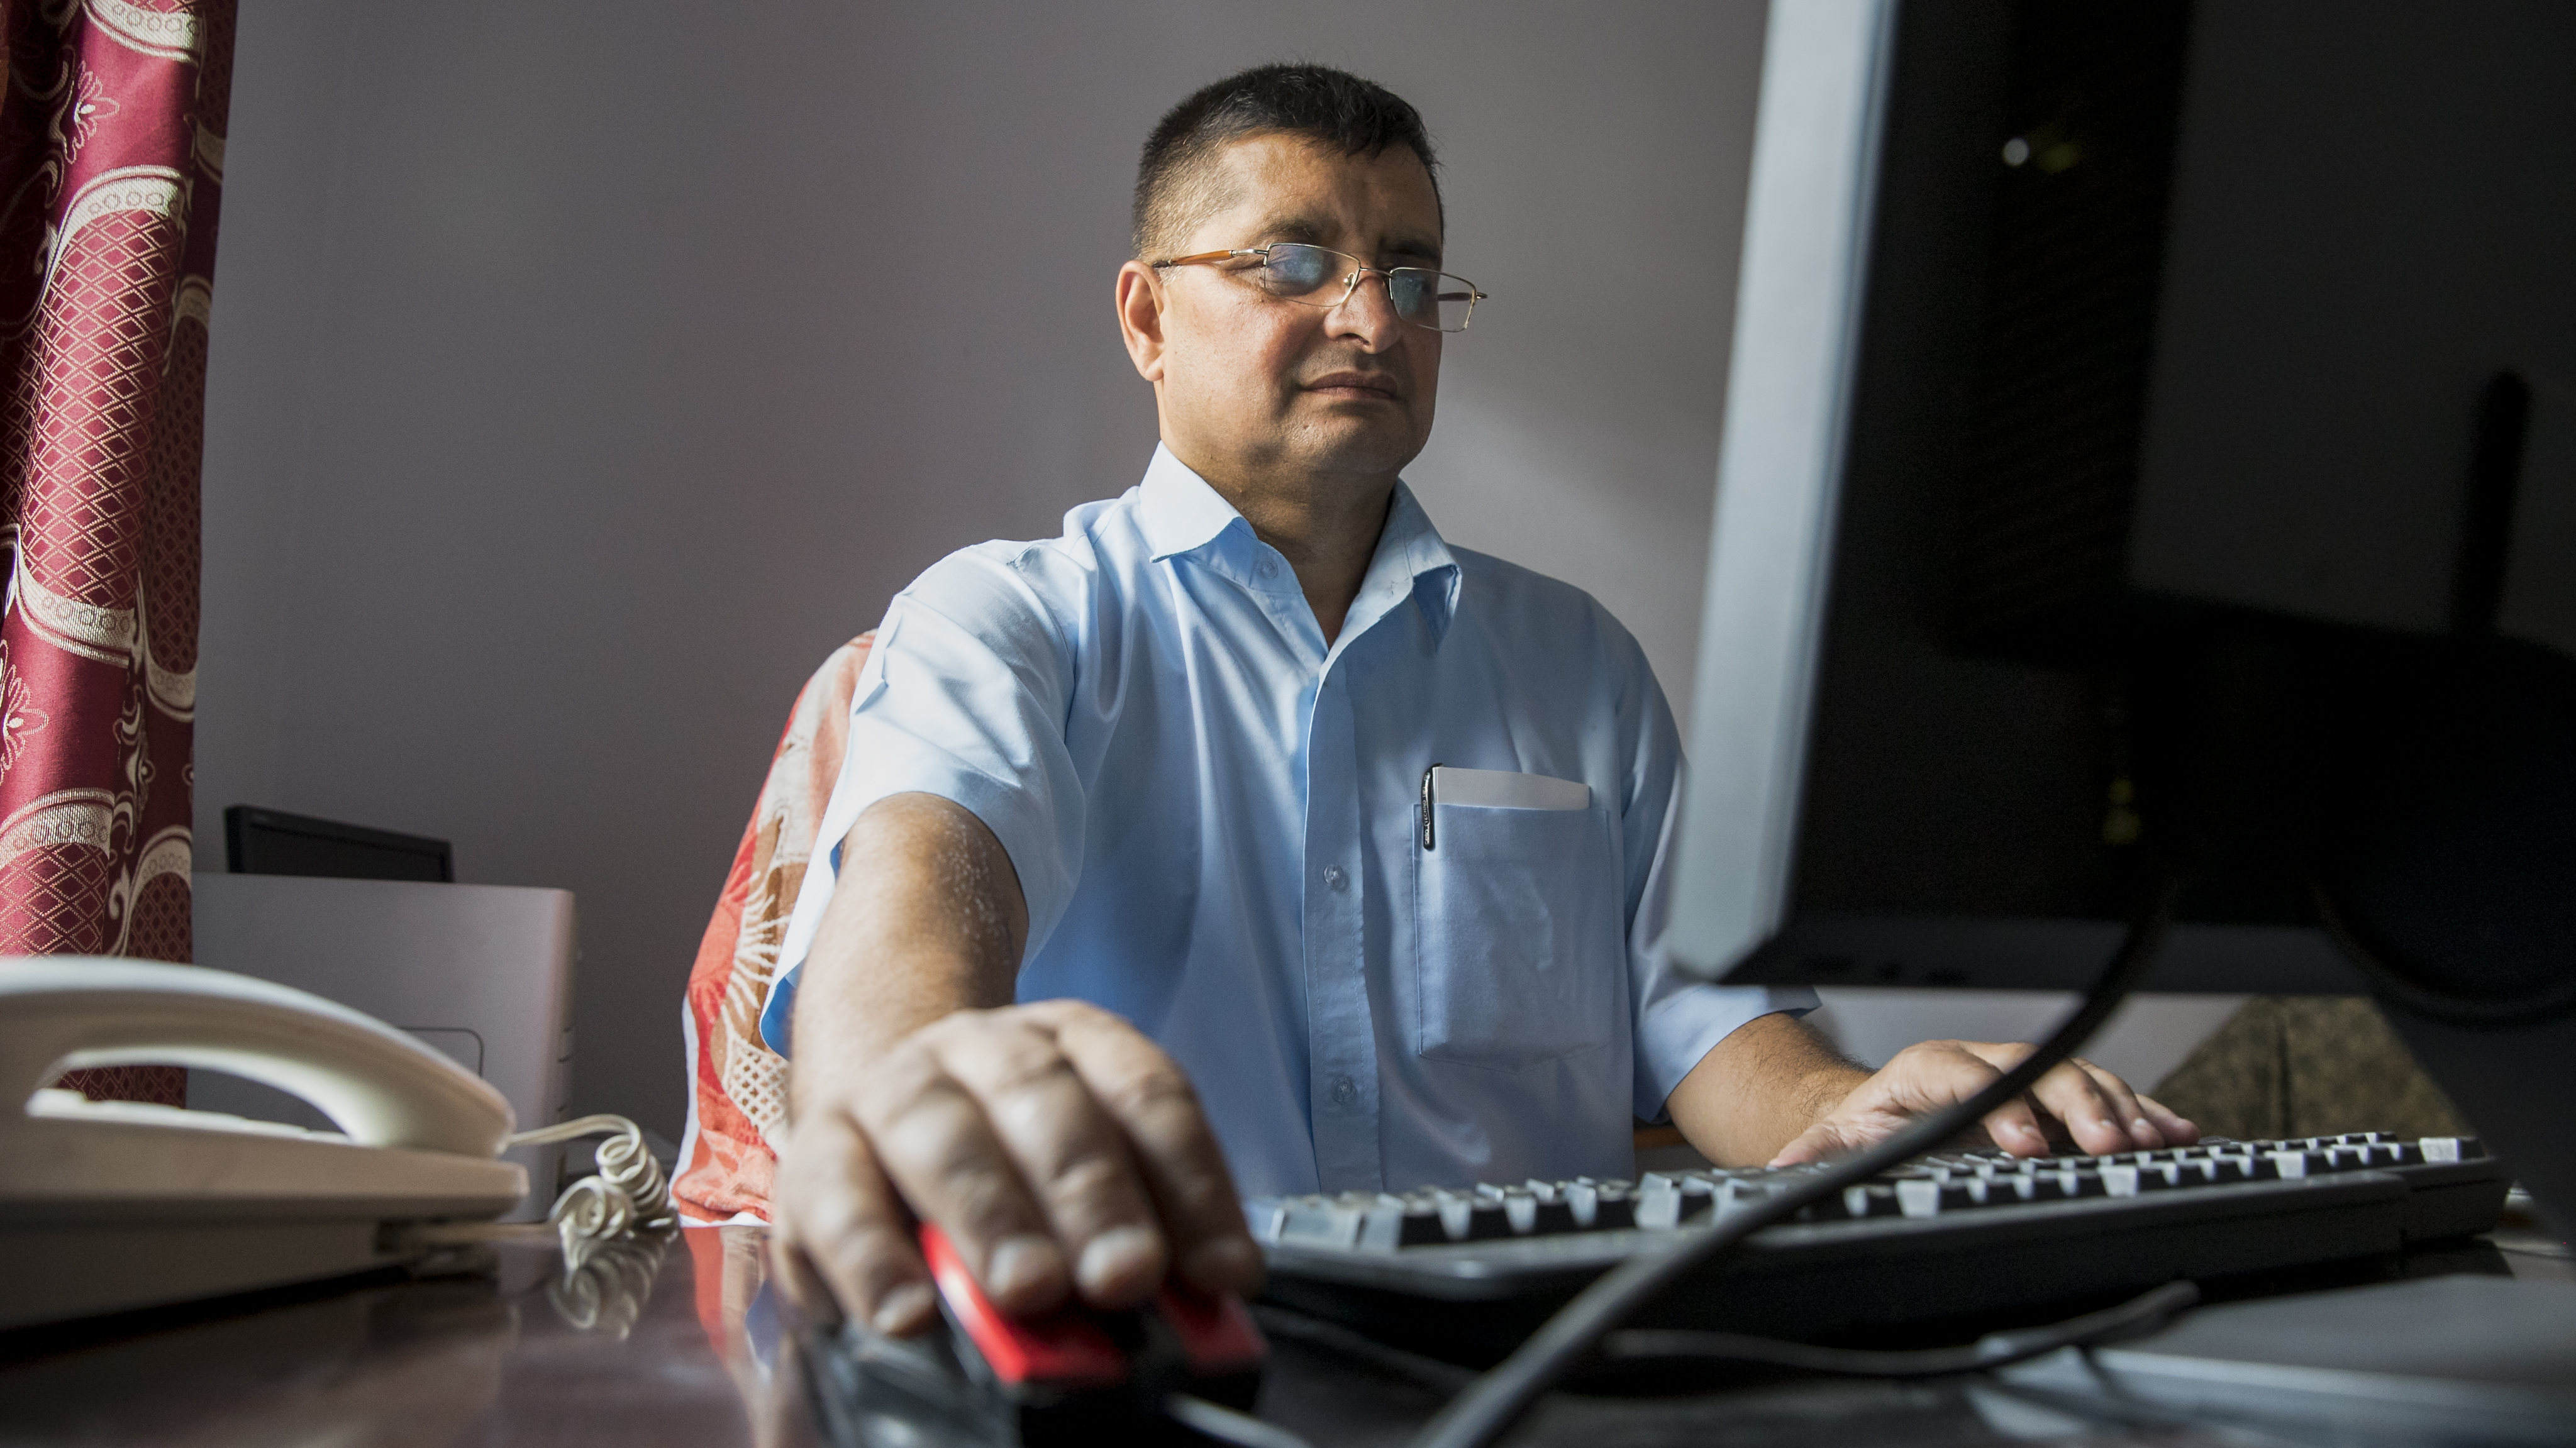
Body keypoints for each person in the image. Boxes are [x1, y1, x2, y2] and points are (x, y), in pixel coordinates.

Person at [763, 64, 2196, 1335]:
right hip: (1165, 1356)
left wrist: (1847, 1110)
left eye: (1406, 274)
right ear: (1146, 317)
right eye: (1290, 263)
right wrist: (907, 1074)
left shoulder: (1577, 663)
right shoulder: (1012, 617)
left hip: (1551, 1366)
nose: (1366, 317)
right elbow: (917, 895)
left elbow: (1700, 1028)